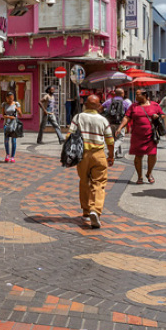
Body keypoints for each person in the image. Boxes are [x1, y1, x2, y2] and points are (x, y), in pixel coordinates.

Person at [67, 95, 115, 229]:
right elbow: (110, 141)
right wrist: (111, 156)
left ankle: (86, 211)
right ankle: (96, 209)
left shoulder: (78, 117)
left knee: (84, 181)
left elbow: (69, 135)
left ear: (86, 105)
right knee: (99, 183)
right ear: (98, 105)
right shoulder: (103, 120)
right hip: (98, 154)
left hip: (82, 154)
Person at [116, 89, 163, 184]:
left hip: (151, 135)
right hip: (137, 135)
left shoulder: (154, 105)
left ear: (144, 95)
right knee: (138, 156)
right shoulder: (133, 106)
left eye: (138, 95)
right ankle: (139, 176)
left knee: (152, 155)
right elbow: (127, 117)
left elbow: (162, 115)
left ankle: (149, 173)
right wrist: (120, 127)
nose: (136, 97)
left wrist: (157, 117)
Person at [0, 91, 22, 163]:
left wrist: (18, 111)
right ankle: (7, 155)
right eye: (9, 98)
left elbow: (21, 115)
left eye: (12, 98)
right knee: (6, 141)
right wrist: (9, 117)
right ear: (6, 98)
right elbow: (3, 115)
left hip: (14, 125)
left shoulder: (16, 104)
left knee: (14, 141)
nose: (10, 99)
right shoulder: (4, 104)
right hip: (6, 124)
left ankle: (12, 156)